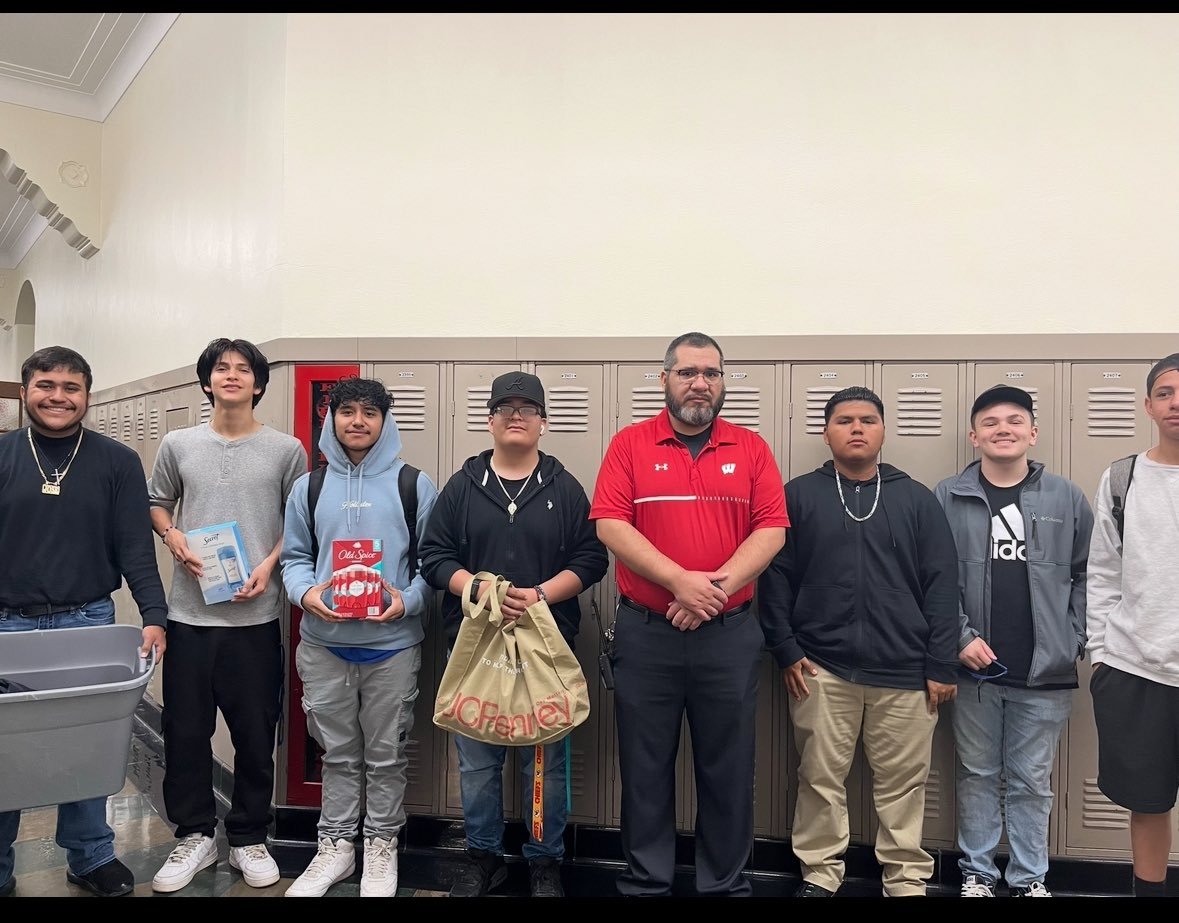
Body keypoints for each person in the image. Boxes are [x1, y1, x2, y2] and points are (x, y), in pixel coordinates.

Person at [589, 332, 787, 897]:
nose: (700, 383)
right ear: (665, 380)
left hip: (727, 636)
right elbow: (610, 524)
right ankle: (646, 885)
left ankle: (724, 886)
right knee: (645, 769)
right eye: (688, 372)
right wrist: (679, 581)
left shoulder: (750, 449)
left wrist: (711, 593)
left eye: (712, 373)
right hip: (646, 635)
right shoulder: (630, 444)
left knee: (728, 771)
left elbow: (771, 530)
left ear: (723, 382)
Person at [758, 386, 959, 898]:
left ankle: (906, 879)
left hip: (907, 673)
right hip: (821, 669)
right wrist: (786, 649)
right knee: (820, 780)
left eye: (867, 420)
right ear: (826, 432)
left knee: (904, 788)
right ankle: (820, 875)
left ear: (883, 430)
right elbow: (775, 578)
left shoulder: (916, 498)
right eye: (844, 420)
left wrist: (940, 663)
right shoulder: (798, 495)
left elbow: (941, 585)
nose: (856, 428)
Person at [419, 371, 608, 898]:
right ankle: (482, 855)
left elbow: (592, 557)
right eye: (506, 407)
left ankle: (544, 859)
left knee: (544, 761)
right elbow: (433, 557)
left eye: (527, 408)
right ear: (490, 421)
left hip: (547, 649)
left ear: (544, 423)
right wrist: (478, 587)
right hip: (476, 647)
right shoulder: (464, 486)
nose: (516, 415)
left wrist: (542, 593)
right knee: (478, 763)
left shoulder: (563, 487)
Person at [0, 346, 167, 898]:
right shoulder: (2, 456)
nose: (58, 397)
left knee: (88, 745)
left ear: (87, 397)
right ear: (25, 391)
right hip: (8, 628)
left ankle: (91, 856)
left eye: (71, 388)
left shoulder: (116, 461)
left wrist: (154, 615)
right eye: (46, 385)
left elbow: (135, 548)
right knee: (5, 752)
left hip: (89, 622)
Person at [148, 338, 305, 893]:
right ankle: (193, 834)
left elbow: (300, 524)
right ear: (207, 382)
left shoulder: (287, 451)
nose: (233, 376)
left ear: (259, 384)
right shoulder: (177, 443)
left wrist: (270, 564)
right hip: (190, 617)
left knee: (256, 735)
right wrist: (174, 537)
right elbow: (158, 502)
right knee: (185, 732)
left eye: (244, 369)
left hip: (255, 618)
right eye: (222, 369)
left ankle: (248, 837)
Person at [280, 376, 438, 898]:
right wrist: (307, 595)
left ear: (385, 420)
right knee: (338, 754)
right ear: (331, 418)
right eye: (346, 411)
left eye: (369, 412)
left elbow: (430, 566)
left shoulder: (413, 484)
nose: (357, 421)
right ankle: (336, 846)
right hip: (324, 644)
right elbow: (295, 559)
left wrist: (405, 601)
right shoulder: (310, 486)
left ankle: (381, 845)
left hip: (391, 646)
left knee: (386, 754)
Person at [934, 384, 1093, 898]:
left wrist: (1074, 638)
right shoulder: (947, 495)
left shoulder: (1064, 495)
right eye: (992, 422)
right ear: (974, 436)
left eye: (1015, 420)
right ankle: (978, 873)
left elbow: (1091, 573)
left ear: (1033, 432)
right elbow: (931, 579)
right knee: (977, 774)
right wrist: (958, 638)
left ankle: (1029, 879)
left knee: (1032, 782)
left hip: (1045, 671)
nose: (1004, 429)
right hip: (975, 670)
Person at [1087, 353, 1179, 898]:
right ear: (1148, 405)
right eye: (1165, 393)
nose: (1176, 402)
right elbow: (1102, 571)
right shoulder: (1123, 478)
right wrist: (1103, 653)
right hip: (1136, 669)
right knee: (1147, 805)